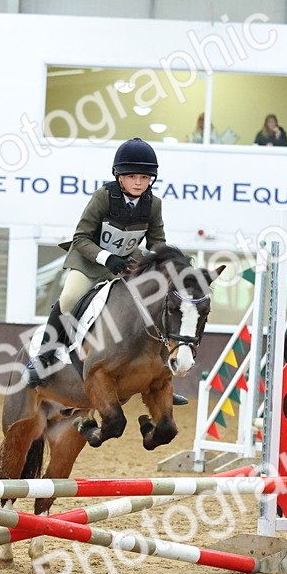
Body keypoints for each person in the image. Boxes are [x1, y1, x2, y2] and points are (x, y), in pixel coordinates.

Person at [24, 137, 187, 405]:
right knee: (69, 299)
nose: (138, 182)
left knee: (154, 306)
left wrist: (169, 262)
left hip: (125, 266)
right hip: (90, 262)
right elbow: (80, 238)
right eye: (132, 176)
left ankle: (161, 379)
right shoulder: (103, 197)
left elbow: (157, 242)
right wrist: (106, 258)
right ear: (119, 177)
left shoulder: (153, 204)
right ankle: (44, 356)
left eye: (145, 177)